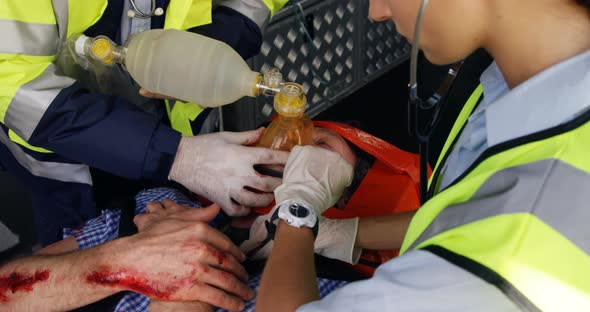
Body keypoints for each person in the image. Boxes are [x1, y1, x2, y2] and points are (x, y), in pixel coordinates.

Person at [255, 0, 590, 311]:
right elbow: (466, 213)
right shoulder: (516, 84)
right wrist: (343, 233)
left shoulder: (500, 263)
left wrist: (295, 214)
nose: (377, 11)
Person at [16, 120, 421, 311]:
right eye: (283, 134)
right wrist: (122, 258)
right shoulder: (156, 208)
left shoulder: (340, 293)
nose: (295, 151)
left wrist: (300, 227)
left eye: (319, 157)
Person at [0, 0, 289, 247]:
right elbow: (10, 82)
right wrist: (180, 156)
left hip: (171, 126)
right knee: (83, 255)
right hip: (62, 157)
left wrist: (222, 37)